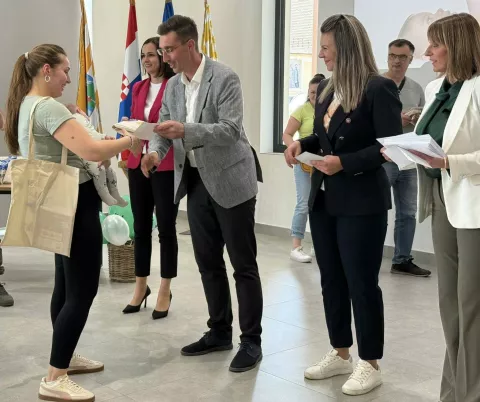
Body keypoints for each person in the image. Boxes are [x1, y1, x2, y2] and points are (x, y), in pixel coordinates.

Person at [4, 44, 141, 402]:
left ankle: (64, 356)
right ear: (46, 70)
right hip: (74, 204)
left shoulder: (28, 104)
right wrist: (131, 140)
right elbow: (92, 151)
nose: (69, 77)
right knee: (83, 290)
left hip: (59, 204)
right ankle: (55, 376)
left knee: (65, 286)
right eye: (65, 70)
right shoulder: (48, 107)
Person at [285, 14, 402, 396]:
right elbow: (324, 139)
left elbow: (389, 148)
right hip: (324, 199)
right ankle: (340, 352)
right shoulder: (328, 88)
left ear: (347, 47)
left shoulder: (379, 88)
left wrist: (345, 163)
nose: (321, 55)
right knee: (331, 279)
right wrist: (301, 144)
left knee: (361, 283)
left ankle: (370, 362)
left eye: (326, 48)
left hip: (362, 201)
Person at [143, 15, 264, 373]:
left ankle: (252, 341)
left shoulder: (225, 77)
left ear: (190, 45)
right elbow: (164, 132)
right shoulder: (173, 86)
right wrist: (155, 153)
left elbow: (229, 131)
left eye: (169, 50)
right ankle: (219, 331)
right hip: (195, 182)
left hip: (231, 181)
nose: (164, 57)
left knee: (243, 265)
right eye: (162, 51)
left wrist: (186, 130)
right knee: (208, 263)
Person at [387, 13, 480, 402]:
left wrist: (449, 162)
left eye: (435, 44)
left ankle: (470, 393)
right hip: (441, 199)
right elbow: (429, 141)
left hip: (474, 206)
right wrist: (402, 148)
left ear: (457, 46)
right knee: (450, 305)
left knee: (471, 305)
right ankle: (454, 391)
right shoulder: (436, 87)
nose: (427, 53)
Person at [120, 37, 178, 319]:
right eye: (143, 55)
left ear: (163, 57)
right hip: (136, 162)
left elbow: (174, 125)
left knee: (166, 228)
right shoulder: (138, 87)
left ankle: (165, 289)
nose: (146, 60)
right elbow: (135, 120)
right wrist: (129, 129)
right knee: (141, 228)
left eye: (152, 54)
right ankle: (140, 286)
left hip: (165, 164)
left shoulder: (174, 86)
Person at [382, 39, 431, 277]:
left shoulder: (416, 88)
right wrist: (396, 121)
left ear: (411, 59)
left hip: (408, 159)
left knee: (408, 212)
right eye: (393, 56)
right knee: (378, 210)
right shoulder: (375, 84)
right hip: (383, 158)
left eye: (402, 57)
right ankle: (369, 257)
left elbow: (425, 122)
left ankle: (402, 260)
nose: (397, 61)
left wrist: (416, 119)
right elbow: (365, 122)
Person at [282, 73, 325, 263]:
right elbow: (287, 134)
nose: (314, 96)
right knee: (304, 203)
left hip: (323, 165)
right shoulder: (302, 110)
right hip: (304, 164)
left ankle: (319, 245)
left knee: (321, 204)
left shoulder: (330, 110)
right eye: (312, 92)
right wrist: (295, 150)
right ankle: (296, 247)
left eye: (318, 92)